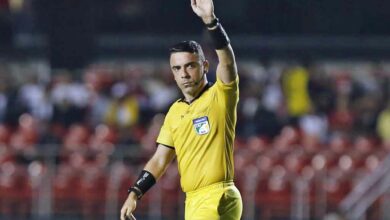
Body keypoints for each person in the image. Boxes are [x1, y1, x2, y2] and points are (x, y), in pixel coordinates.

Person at [120, 0, 242, 219]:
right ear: (172, 73)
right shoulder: (175, 112)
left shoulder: (220, 95)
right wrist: (135, 193)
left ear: (204, 66)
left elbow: (228, 62)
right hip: (193, 201)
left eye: (190, 66)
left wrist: (210, 22)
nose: (184, 74)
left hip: (218, 196)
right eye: (177, 68)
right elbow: (159, 160)